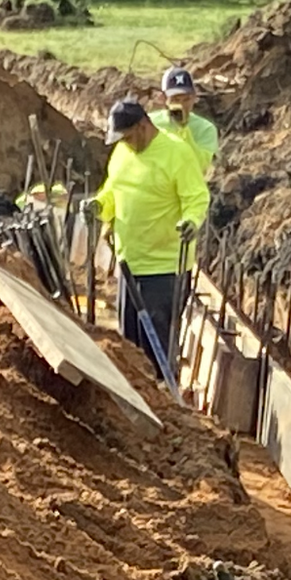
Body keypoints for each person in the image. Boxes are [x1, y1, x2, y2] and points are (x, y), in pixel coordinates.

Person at [94, 98, 207, 370]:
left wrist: (191, 221)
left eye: (128, 137)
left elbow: (197, 198)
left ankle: (163, 393)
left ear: (143, 126)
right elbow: (113, 191)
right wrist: (98, 205)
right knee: (130, 347)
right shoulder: (122, 152)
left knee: (157, 351)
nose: (125, 143)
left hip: (163, 269)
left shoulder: (177, 153)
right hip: (129, 263)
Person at [158, 66, 218, 175]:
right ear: (163, 98)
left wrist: (183, 129)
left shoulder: (205, 129)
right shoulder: (151, 123)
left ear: (195, 97)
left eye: (186, 99)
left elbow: (201, 165)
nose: (181, 105)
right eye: (175, 99)